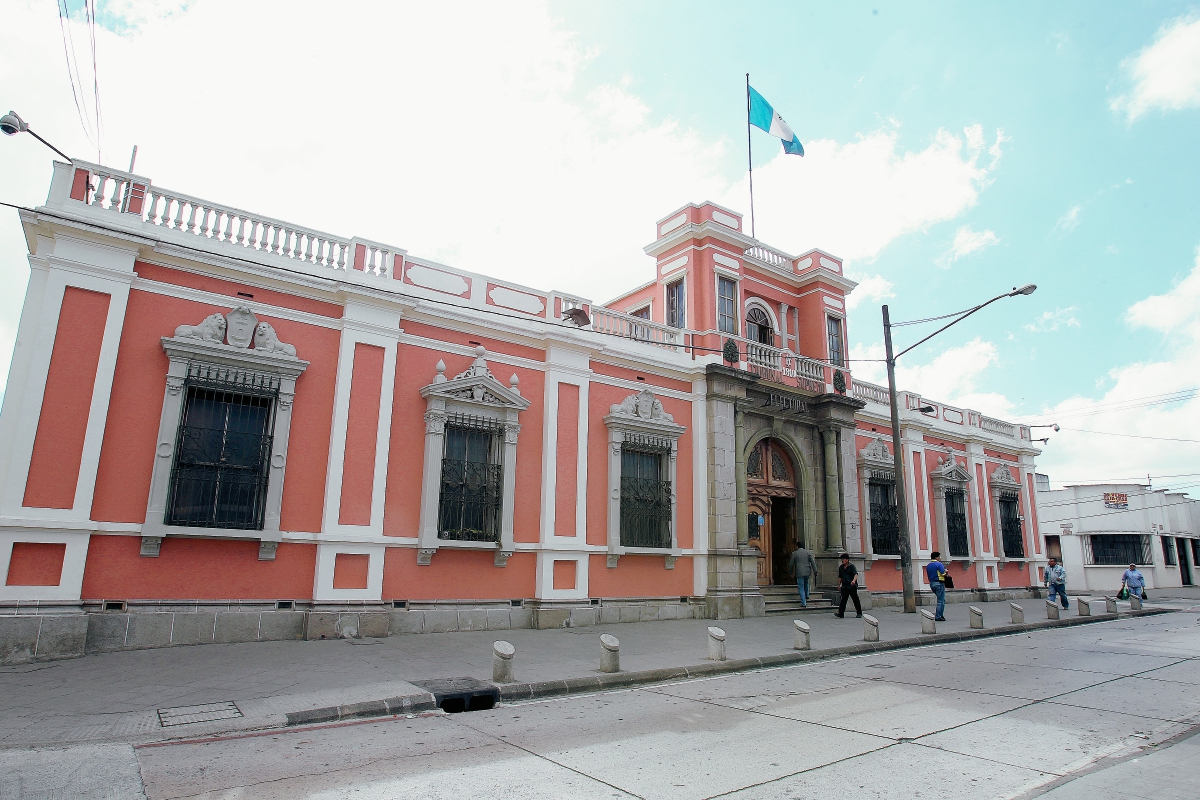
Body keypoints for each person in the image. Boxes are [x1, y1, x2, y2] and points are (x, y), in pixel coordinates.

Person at [834, 553, 861, 618]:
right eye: (842, 559)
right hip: (844, 585)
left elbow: (855, 574)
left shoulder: (851, 566)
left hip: (851, 586)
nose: (842, 560)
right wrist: (839, 585)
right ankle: (841, 613)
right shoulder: (841, 567)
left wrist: (854, 581)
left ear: (847, 560)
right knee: (843, 600)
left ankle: (859, 612)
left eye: (843, 559)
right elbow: (840, 577)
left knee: (855, 599)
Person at [925, 551, 947, 621]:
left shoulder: (928, 565)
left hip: (932, 583)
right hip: (939, 583)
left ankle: (939, 614)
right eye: (939, 557)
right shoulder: (938, 564)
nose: (940, 558)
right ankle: (939, 615)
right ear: (936, 557)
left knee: (939, 599)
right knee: (941, 600)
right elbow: (943, 573)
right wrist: (946, 572)